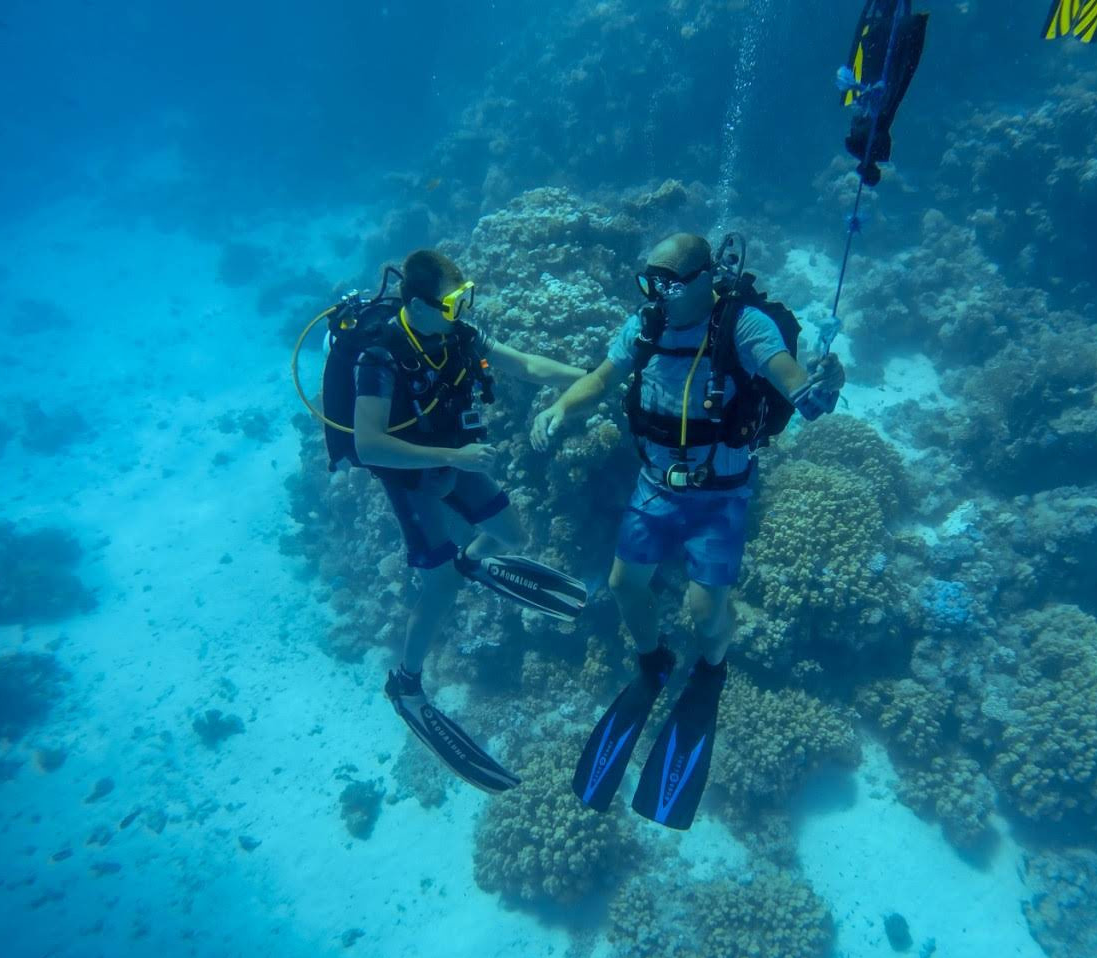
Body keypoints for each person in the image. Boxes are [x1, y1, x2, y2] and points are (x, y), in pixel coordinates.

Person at [530, 233, 845, 829]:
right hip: (655, 484)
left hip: (720, 495)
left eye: (671, 284)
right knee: (625, 585)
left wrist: (819, 387)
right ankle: (653, 662)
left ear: (706, 279)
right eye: (650, 283)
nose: (659, 296)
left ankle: (712, 668)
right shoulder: (646, 325)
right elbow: (600, 378)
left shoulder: (743, 327)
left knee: (706, 608)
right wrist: (561, 408)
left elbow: (788, 377)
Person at [348, 249, 587, 792]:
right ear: (418, 304)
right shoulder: (380, 358)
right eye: (451, 301)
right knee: (438, 587)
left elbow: (526, 365)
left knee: (512, 535)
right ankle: (406, 685)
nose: (461, 309)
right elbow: (368, 444)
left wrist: (601, 378)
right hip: (412, 476)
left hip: (456, 459)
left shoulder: (459, 336)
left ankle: (472, 563)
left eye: (465, 297)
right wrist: (452, 459)